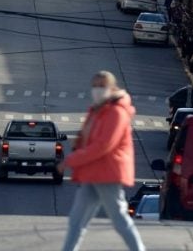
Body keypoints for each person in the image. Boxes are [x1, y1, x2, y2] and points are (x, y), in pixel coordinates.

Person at [58, 71, 145, 251]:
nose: (97, 89)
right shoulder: (98, 110)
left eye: (102, 85)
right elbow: (87, 139)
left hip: (108, 173)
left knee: (119, 219)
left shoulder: (116, 113)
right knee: (77, 220)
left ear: (112, 88)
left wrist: (71, 160)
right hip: (93, 172)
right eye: (95, 85)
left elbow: (103, 145)